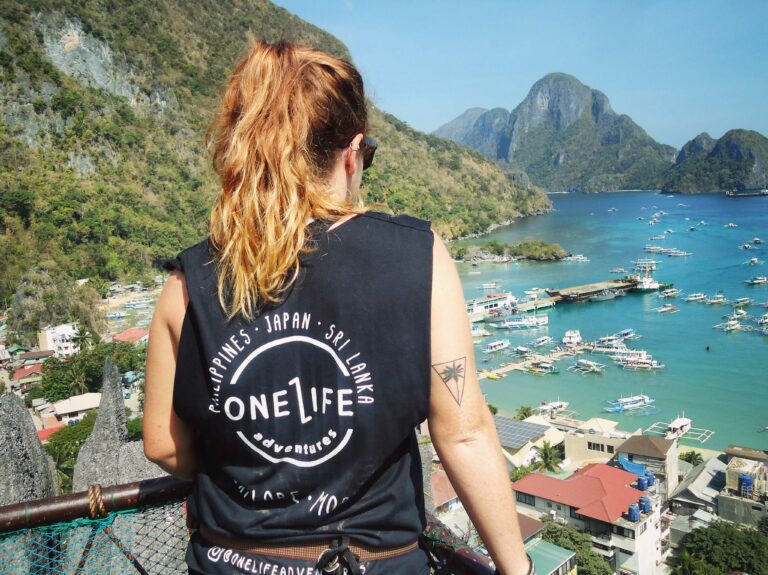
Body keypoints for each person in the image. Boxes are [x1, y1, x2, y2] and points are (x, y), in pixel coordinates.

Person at [143, 41, 530, 575]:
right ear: (351, 153)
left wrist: (251, 463)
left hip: (232, 561)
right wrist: (516, 567)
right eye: (366, 157)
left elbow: (163, 444)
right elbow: (463, 432)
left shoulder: (187, 284)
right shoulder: (419, 256)